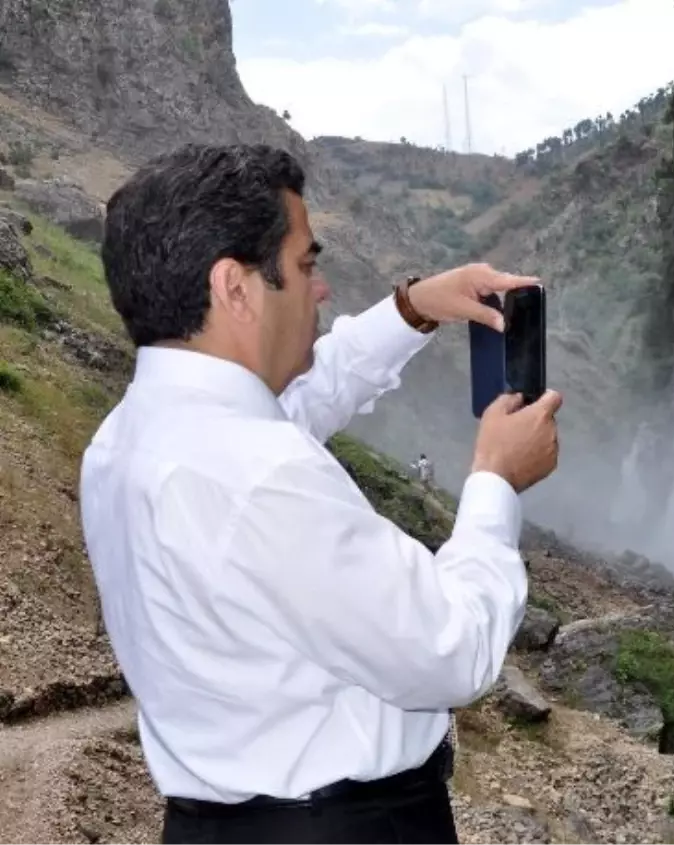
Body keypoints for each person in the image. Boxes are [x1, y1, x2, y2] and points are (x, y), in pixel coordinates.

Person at [78, 143, 563, 845]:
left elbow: (302, 401)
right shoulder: (260, 474)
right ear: (235, 287)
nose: (324, 288)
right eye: (306, 264)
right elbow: (453, 650)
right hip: (344, 827)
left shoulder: (129, 437)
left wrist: (412, 309)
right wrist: (496, 481)